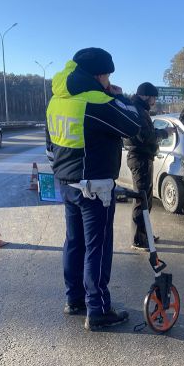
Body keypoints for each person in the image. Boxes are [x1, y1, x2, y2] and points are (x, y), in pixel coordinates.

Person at [46, 47, 141, 331]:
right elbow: (133, 125)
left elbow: (50, 147)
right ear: (99, 75)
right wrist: (119, 96)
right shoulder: (96, 101)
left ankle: (74, 299)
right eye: (107, 75)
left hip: (67, 184)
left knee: (74, 243)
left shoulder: (56, 101)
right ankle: (97, 309)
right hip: (95, 188)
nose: (108, 80)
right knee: (96, 248)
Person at [124, 82, 174, 250]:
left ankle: (143, 234)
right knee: (141, 200)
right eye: (153, 98)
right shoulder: (137, 110)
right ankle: (138, 240)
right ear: (146, 96)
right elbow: (145, 137)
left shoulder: (139, 109)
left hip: (142, 157)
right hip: (139, 158)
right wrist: (163, 133)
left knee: (145, 200)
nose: (154, 102)